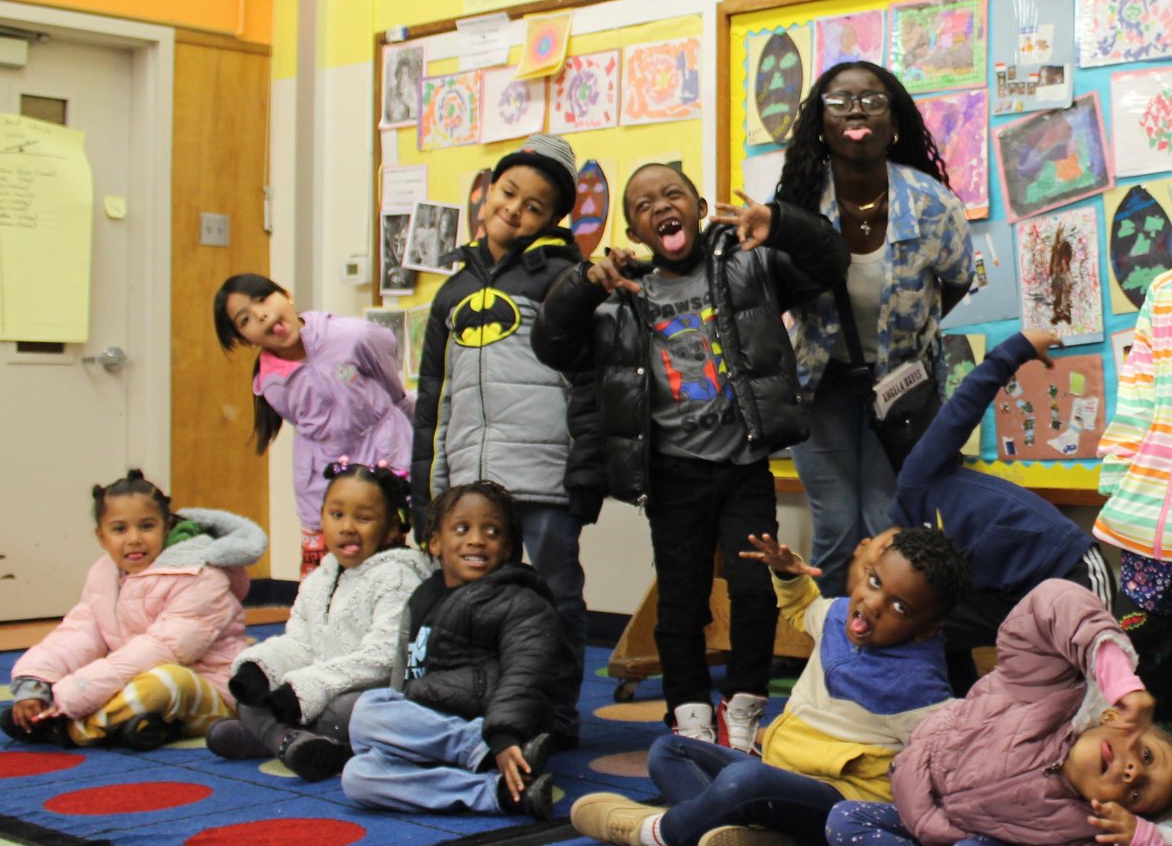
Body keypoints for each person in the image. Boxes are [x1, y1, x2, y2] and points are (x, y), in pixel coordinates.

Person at [532, 162, 849, 749]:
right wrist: (585, 282)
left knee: (753, 591)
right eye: (644, 204)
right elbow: (550, 342)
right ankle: (689, 712)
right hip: (671, 475)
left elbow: (830, 261)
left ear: (700, 209)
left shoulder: (748, 264)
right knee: (680, 602)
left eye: (672, 194)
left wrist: (779, 222)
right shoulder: (621, 298)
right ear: (635, 232)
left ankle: (745, 705)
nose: (660, 207)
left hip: (743, 467)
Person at [761, 580, 1172, 846]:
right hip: (928, 818)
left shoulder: (1084, 836)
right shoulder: (1043, 687)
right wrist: (1119, 677)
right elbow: (1050, 602)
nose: (1133, 773)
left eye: (1137, 795)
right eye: (1148, 757)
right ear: (1115, 716)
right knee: (843, 819)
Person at [569, 527, 969, 846]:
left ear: (926, 630)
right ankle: (758, 839)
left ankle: (660, 831)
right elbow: (803, 608)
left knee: (745, 782)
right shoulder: (837, 615)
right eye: (875, 581)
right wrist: (787, 575)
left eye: (900, 608)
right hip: (780, 772)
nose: (873, 603)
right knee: (668, 751)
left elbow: (944, 761)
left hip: (835, 803)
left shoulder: (918, 687)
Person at [412, 134, 599, 750]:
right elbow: (433, 400)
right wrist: (428, 492)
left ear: (553, 219)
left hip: (542, 473)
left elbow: (589, 383)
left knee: (556, 594)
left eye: (534, 206)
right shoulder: (452, 291)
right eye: (508, 192)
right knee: (467, 603)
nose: (514, 210)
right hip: (469, 480)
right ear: (488, 191)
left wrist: (585, 471)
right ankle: (485, 707)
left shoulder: (564, 279)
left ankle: (557, 715)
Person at [776, 62, 973, 595]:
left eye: (872, 100)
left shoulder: (932, 204)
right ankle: (833, 639)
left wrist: (912, 330)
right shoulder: (798, 201)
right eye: (840, 102)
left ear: (895, 123)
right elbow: (775, 288)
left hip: (902, 387)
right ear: (821, 125)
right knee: (836, 526)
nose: (856, 111)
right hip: (820, 386)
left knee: (886, 524)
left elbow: (957, 281)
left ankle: (885, 640)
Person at [852, 328, 1114, 694]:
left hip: (1069, 572)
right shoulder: (919, 576)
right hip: (1009, 599)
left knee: (1092, 679)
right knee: (919, 623)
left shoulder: (918, 481)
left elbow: (963, 408)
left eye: (870, 571)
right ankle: (951, 710)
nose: (875, 591)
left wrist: (1018, 348)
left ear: (869, 546)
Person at [340, 480, 560, 818]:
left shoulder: (521, 601)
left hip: (493, 727)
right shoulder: (422, 596)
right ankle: (499, 793)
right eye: (461, 529)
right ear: (435, 542)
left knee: (366, 709)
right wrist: (398, 727)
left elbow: (525, 676)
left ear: (508, 549)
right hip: (429, 728)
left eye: (492, 531)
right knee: (358, 776)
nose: (476, 539)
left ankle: (478, 749)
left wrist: (502, 735)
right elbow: (404, 671)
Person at [0, 470, 265, 749]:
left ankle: (71, 728)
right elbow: (79, 633)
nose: (134, 539)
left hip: (211, 688)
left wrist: (73, 695)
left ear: (166, 527)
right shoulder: (105, 573)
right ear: (101, 536)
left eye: (147, 526)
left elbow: (162, 649)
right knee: (101, 680)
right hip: (135, 675)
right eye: (119, 529)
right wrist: (35, 683)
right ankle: (135, 725)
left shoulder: (199, 576)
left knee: (166, 682)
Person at [205, 461, 431, 781]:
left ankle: (272, 737)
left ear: (393, 527)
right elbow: (300, 643)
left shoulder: (397, 576)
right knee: (250, 699)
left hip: (367, 695)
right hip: (316, 690)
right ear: (322, 517)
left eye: (363, 518)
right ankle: (291, 741)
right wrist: (261, 669)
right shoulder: (320, 578)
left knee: (349, 710)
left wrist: (306, 689)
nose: (347, 527)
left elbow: (382, 658)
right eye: (336, 514)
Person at [214, 273, 413, 577]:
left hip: (383, 461)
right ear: (245, 339)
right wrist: (314, 511)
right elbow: (310, 439)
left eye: (263, 299)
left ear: (287, 295)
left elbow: (390, 376)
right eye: (245, 319)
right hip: (325, 479)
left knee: (384, 569)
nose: (262, 315)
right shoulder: (272, 383)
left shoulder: (350, 335)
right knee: (324, 576)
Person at [1095, 268, 1172, 720]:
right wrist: (1119, 480)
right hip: (1148, 520)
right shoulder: (1163, 291)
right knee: (1139, 659)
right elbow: (1137, 394)